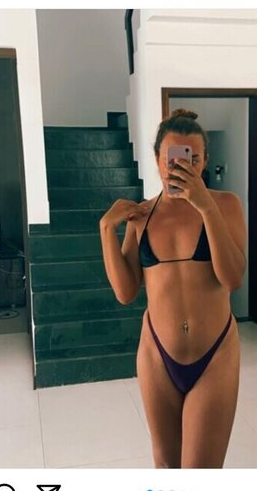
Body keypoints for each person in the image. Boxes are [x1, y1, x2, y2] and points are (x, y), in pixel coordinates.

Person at [100, 109, 246, 468]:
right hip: (157, 355)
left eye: (192, 159)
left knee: (201, 473)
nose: (181, 167)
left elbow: (232, 279)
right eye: (173, 159)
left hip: (215, 354)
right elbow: (125, 293)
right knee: (166, 467)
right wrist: (106, 230)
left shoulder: (226, 205)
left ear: (205, 161)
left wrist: (205, 206)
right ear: (157, 160)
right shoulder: (141, 215)